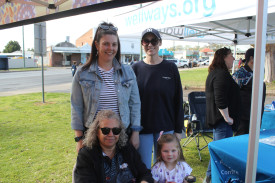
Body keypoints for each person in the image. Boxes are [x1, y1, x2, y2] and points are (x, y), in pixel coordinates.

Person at [71, 22, 141, 153]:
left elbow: (135, 104)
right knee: (94, 172)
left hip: (121, 135)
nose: (111, 48)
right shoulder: (82, 73)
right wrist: (79, 138)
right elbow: (76, 107)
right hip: (93, 136)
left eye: (114, 44)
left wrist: (135, 133)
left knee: (122, 172)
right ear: (97, 45)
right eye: (106, 44)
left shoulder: (128, 72)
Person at [132, 28, 184, 169]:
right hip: (143, 129)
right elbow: (130, 102)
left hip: (166, 128)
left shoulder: (171, 68)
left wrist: (178, 130)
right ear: (142, 43)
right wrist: (132, 130)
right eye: (146, 41)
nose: (150, 44)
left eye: (154, 41)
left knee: (165, 168)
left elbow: (178, 100)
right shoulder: (135, 68)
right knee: (144, 169)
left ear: (160, 43)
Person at [74, 110, 154, 183]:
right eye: (105, 130)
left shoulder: (127, 149)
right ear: (97, 132)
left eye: (116, 130)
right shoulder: (86, 155)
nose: (111, 134)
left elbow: (145, 173)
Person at [204, 47, 241, 183]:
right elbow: (220, 99)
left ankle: (209, 178)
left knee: (217, 152)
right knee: (220, 153)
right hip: (222, 123)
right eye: (231, 56)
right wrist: (227, 118)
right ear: (224, 57)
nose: (233, 59)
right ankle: (212, 178)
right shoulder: (220, 74)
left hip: (221, 122)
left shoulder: (216, 73)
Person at [232, 48, 266, 135]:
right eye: (260, 57)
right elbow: (231, 94)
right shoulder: (240, 74)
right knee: (241, 142)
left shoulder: (258, 72)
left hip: (256, 116)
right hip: (243, 118)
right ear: (251, 58)